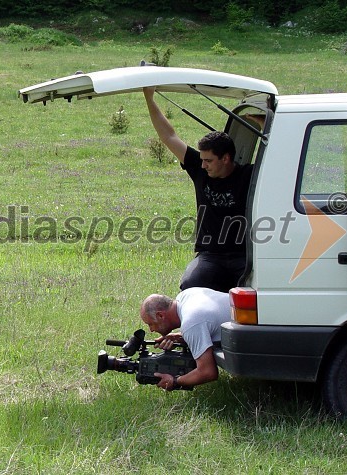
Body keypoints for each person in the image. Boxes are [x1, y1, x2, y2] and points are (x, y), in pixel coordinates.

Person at [144, 87, 253, 292]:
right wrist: (149, 98)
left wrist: (264, 124)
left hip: (244, 255)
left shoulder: (249, 175)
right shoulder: (199, 169)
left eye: (209, 161)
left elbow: (282, 159)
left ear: (226, 158)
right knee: (190, 285)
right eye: (202, 160)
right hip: (210, 255)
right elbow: (169, 136)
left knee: (256, 291)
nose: (203, 165)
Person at [140, 287, 231, 391]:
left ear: (160, 315)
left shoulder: (190, 323)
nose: (151, 330)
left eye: (150, 324)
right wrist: (179, 337)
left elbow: (208, 372)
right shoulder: (186, 295)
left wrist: (174, 381)